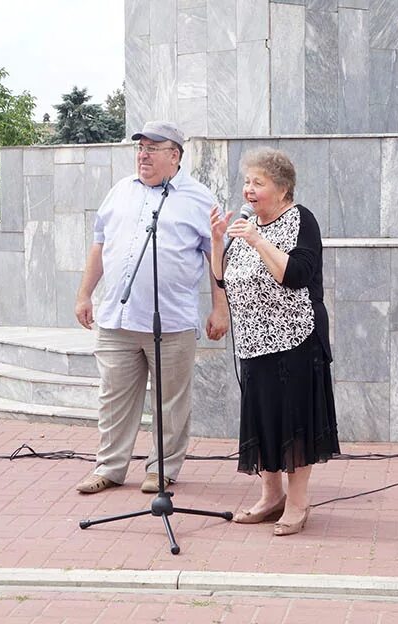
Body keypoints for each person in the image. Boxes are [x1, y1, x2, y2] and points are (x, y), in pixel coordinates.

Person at [74, 120, 229, 495]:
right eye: (140, 148)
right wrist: (84, 295)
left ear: (174, 156)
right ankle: (109, 468)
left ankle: (162, 469)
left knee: (171, 402)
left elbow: (216, 256)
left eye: (152, 149)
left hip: (171, 321)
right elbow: (100, 245)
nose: (142, 155)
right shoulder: (119, 193)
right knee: (113, 398)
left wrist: (219, 308)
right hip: (118, 318)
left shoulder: (199, 199)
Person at [210, 147, 340, 535]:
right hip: (253, 343)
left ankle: (298, 503)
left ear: (282, 189)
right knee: (264, 421)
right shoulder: (247, 226)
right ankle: (270, 496)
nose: (248, 190)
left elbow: (297, 273)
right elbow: (222, 279)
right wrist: (218, 242)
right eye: (247, 182)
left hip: (296, 341)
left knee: (295, 423)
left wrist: (257, 241)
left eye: (258, 183)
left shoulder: (300, 220)